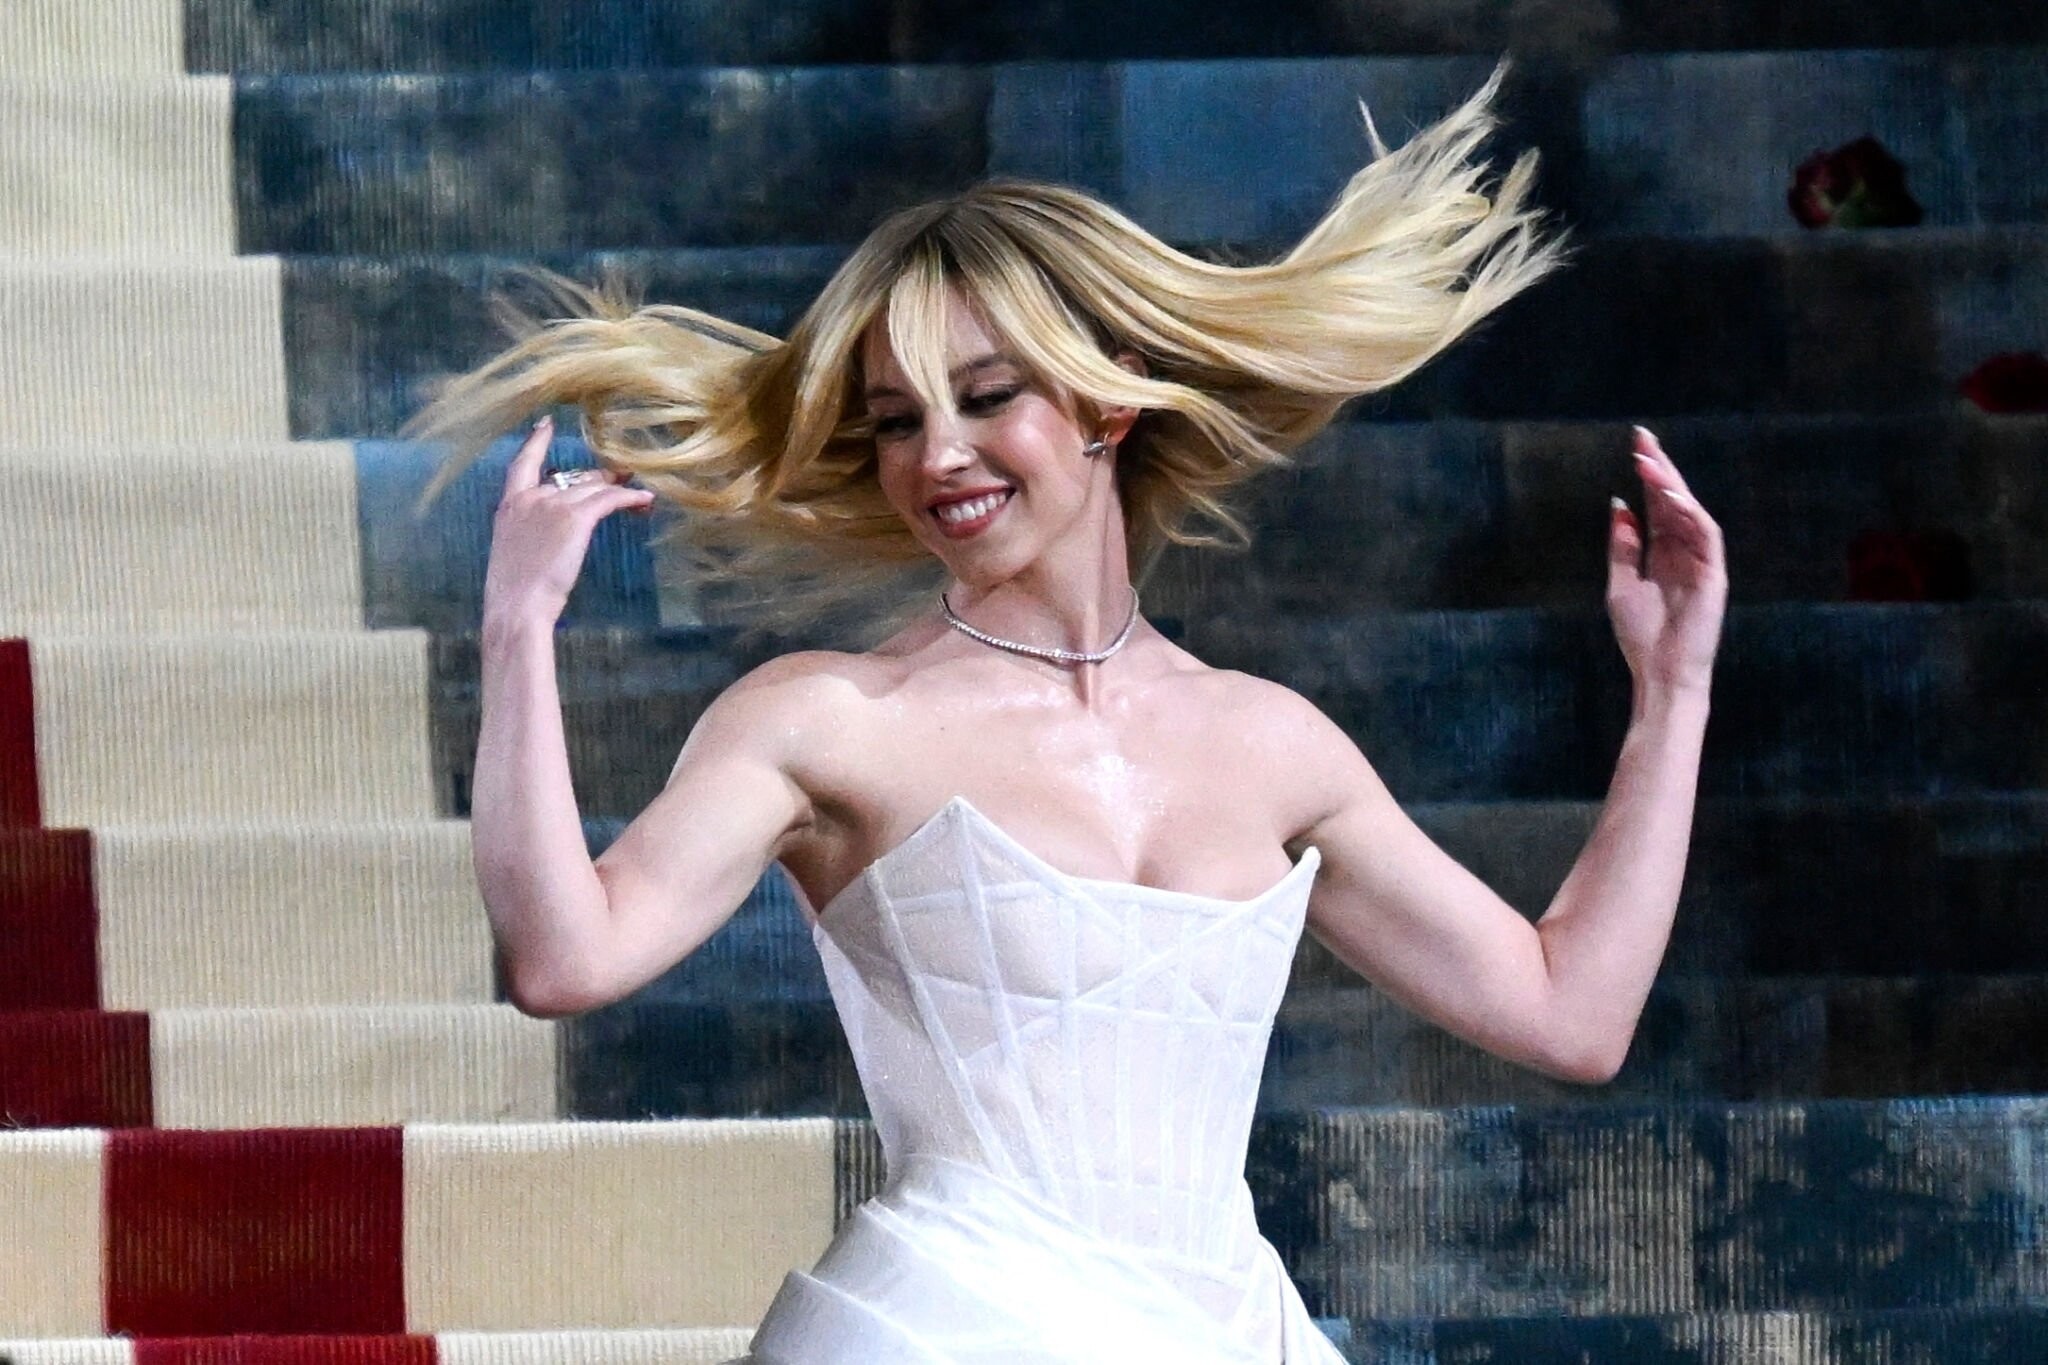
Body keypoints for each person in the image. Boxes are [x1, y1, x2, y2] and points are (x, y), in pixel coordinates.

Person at [415, 69, 1726, 1364]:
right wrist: (516, 631)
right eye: (896, 421)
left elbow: (1571, 1015)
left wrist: (1673, 693)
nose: (938, 456)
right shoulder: (830, 719)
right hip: (942, 1332)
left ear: (1110, 397)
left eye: (989, 397)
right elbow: (564, 961)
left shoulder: (1270, 743)